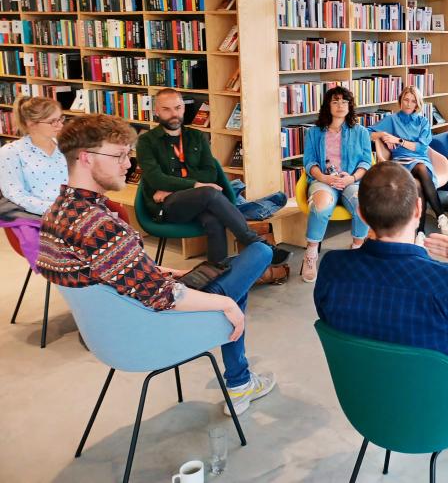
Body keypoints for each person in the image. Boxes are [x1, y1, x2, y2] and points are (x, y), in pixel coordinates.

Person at [36, 114, 276, 415]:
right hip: (151, 328)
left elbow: (108, 272)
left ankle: (241, 380)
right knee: (258, 255)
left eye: (128, 155)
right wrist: (224, 304)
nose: (128, 165)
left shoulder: (57, 213)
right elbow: (162, 296)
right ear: (86, 157)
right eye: (119, 155)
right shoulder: (99, 226)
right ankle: (239, 382)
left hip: (112, 332)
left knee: (231, 269)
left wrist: (166, 272)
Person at [314, 161, 448, 371]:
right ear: (418, 209)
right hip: (437, 391)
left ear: (360, 214)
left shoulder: (331, 268)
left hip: (361, 388)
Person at [136, 88, 290, 266]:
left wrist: (172, 187)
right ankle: (255, 242)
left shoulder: (196, 136)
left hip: (194, 201)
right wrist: (196, 185)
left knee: (214, 220)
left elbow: (210, 173)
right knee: (209, 192)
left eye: (177, 108)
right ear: (156, 111)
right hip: (165, 208)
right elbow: (156, 179)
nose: (174, 114)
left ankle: (217, 272)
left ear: (183, 108)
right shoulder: (146, 142)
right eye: (166, 109)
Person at [301, 85, 372, 283]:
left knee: (363, 205)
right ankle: (311, 254)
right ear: (328, 106)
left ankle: (357, 249)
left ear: (350, 106)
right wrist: (324, 178)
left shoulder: (361, 132)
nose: (340, 105)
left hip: (350, 181)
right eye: (335, 101)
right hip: (323, 181)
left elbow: (366, 162)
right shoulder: (314, 133)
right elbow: (309, 162)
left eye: (344, 101)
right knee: (321, 204)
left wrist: (352, 178)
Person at [368, 84, 448, 239]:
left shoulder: (423, 122)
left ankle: (420, 232)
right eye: (405, 100)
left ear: (417, 104)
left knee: (420, 174)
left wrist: (398, 140)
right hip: (401, 162)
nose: (408, 104)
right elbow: (366, 133)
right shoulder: (392, 119)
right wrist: (382, 134)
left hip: (421, 160)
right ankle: (439, 216)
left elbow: (421, 148)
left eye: (413, 101)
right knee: (419, 176)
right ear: (400, 101)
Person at [0, 96, 68, 268]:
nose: (60, 125)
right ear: (31, 123)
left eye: (61, 118)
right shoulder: (11, 152)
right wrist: (55, 209)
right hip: (41, 216)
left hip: (72, 210)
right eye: (52, 121)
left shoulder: (66, 146)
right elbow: (16, 195)